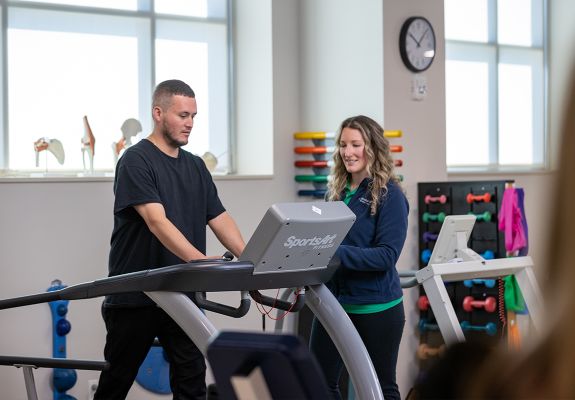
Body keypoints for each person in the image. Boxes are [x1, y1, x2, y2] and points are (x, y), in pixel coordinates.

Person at [94, 79, 245, 400]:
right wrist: (198, 259)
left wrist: (253, 258)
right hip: (135, 296)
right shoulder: (136, 160)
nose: (189, 123)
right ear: (158, 113)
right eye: (182, 115)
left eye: (193, 116)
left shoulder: (195, 166)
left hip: (184, 295)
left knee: (191, 384)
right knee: (116, 384)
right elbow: (156, 220)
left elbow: (219, 217)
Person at [309, 115, 409, 400]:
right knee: (319, 384)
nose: (348, 152)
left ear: (373, 147)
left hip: (377, 308)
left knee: (379, 388)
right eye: (343, 145)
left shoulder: (391, 196)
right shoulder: (338, 192)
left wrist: (332, 252)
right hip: (334, 304)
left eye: (356, 144)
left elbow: (386, 256)